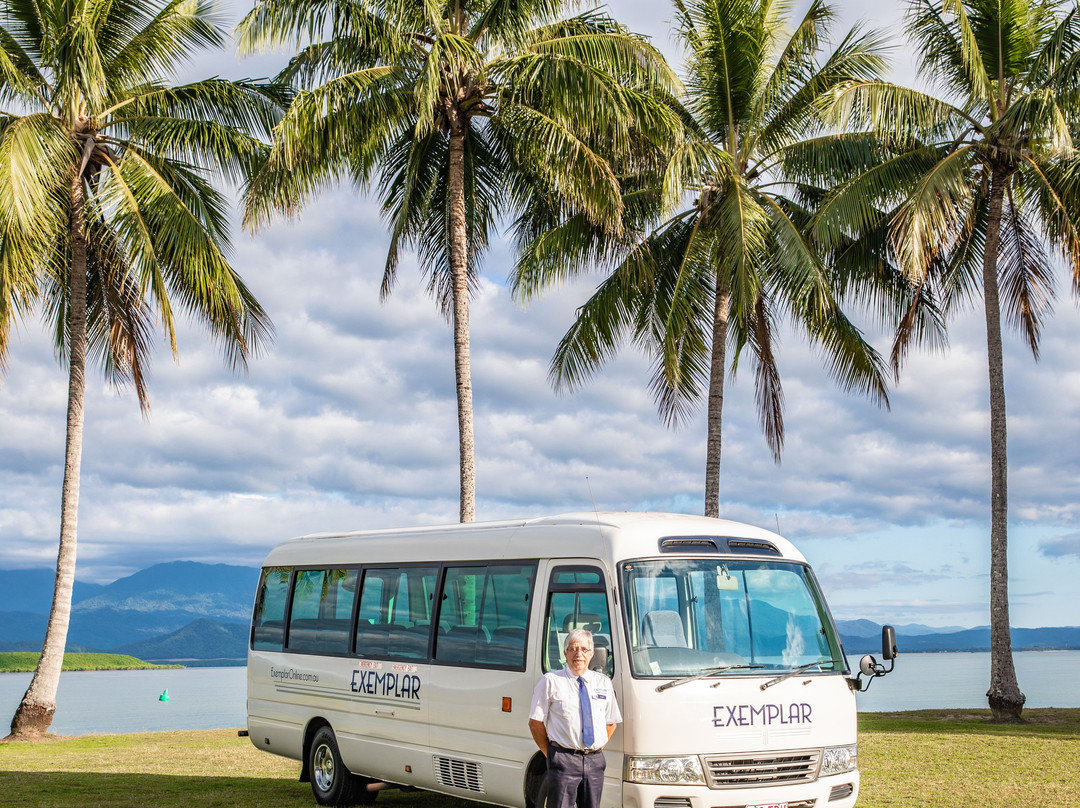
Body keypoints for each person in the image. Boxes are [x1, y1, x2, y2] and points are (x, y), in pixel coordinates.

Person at [528, 628, 622, 808]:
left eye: (584, 649)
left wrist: (595, 747)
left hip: (595, 762)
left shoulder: (603, 683)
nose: (578, 654)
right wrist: (551, 754)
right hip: (563, 760)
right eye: (573, 649)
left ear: (592, 654)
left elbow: (611, 722)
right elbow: (535, 722)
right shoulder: (551, 681)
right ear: (565, 653)